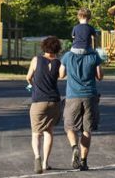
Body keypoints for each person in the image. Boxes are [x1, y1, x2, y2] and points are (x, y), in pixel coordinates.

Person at [60, 48, 103, 171]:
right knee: (87, 129)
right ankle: (83, 162)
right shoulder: (94, 56)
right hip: (90, 96)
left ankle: (74, 147)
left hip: (73, 96)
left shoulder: (68, 56)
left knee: (70, 126)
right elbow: (99, 76)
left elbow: (61, 74)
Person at [26, 36, 63, 174]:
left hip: (38, 101)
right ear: (57, 49)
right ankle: (45, 162)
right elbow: (61, 76)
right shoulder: (58, 63)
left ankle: (37, 157)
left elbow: (28, 77)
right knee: (49, 131)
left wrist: (32, 85)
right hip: (54, 101)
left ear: (44, 47)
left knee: (36, 133)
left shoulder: (36, 60)